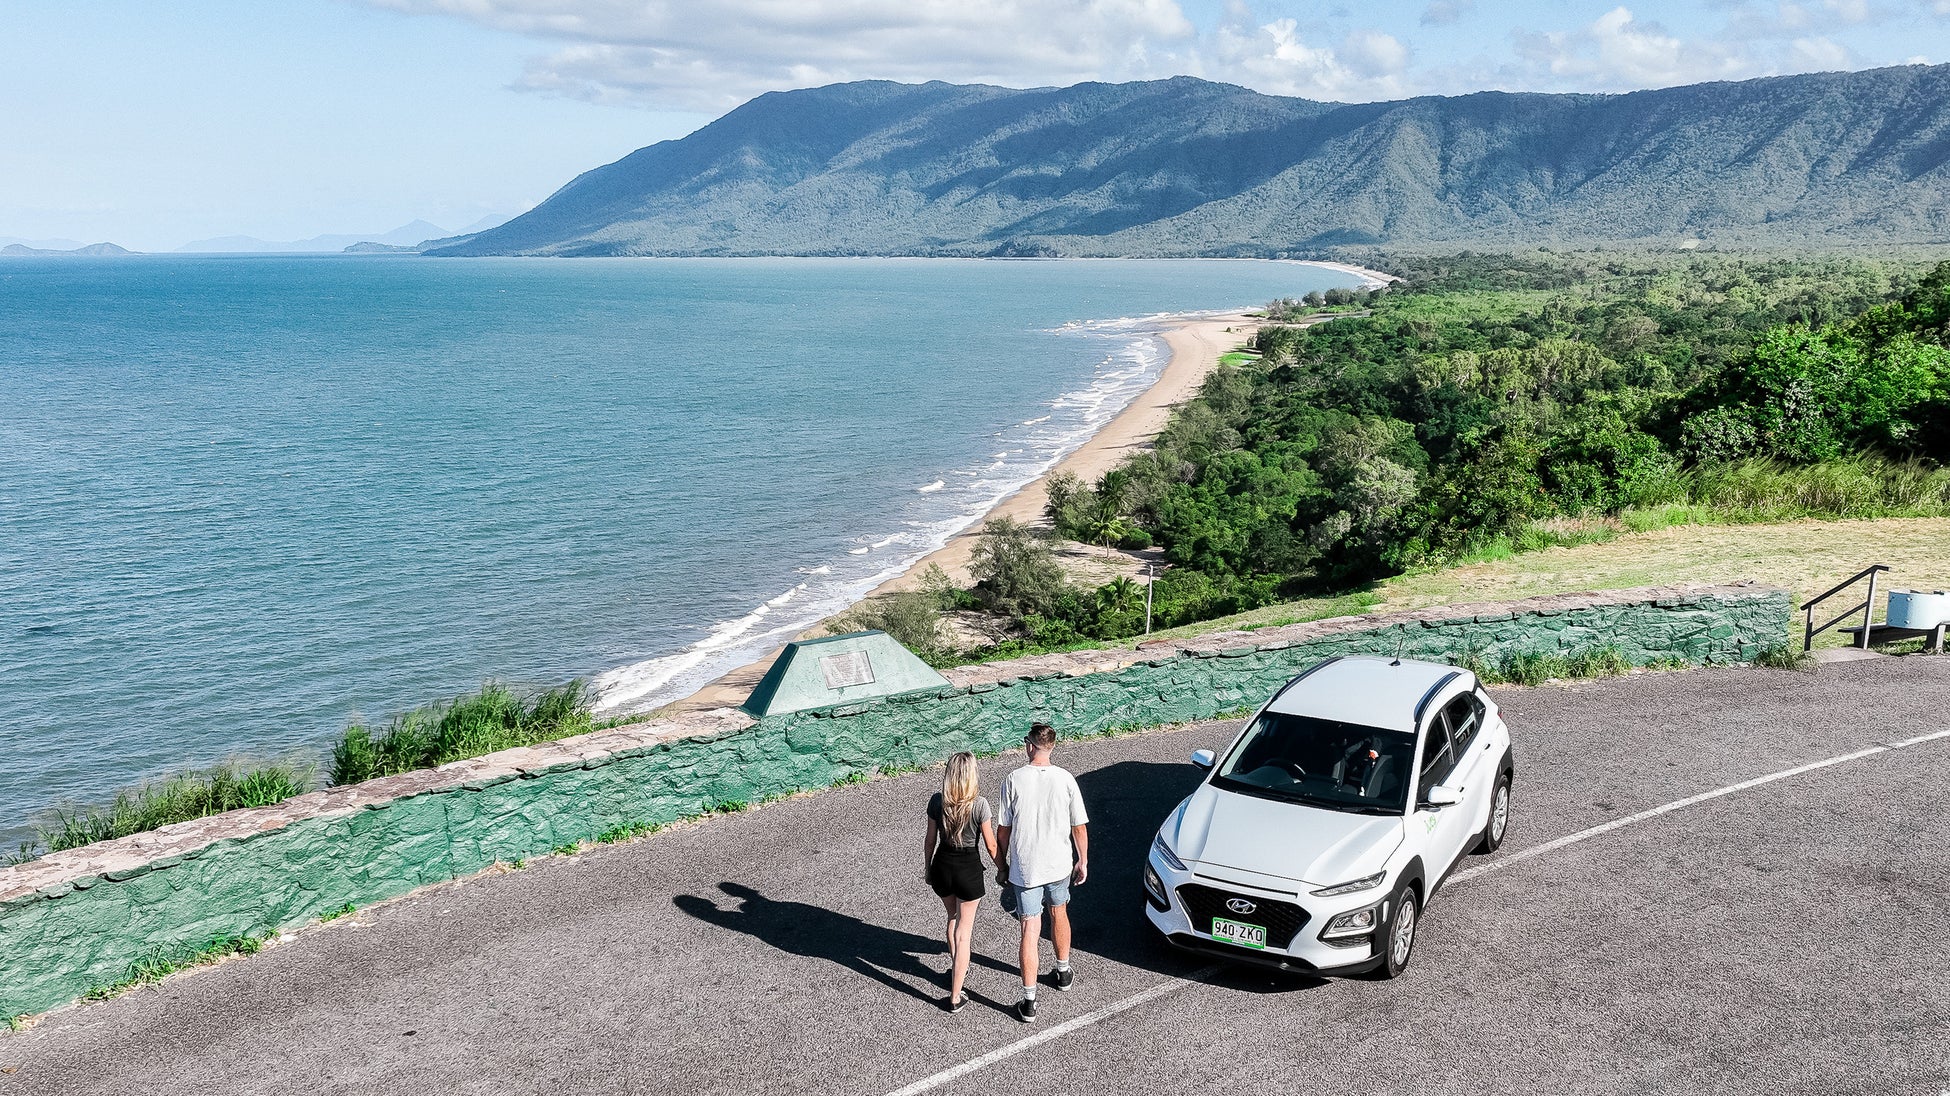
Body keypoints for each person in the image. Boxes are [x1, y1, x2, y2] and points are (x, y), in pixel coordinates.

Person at [994, 721, 1089, 1023]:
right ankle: (1062, 971)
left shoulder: (1013, 779)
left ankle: (1029, 1000)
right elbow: (1079, 826)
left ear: (1030, 745)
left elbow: (1004, 830)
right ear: (1051, 747)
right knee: (1059, 913)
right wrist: (1082, 860)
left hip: (1026, 869)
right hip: (1059, 863)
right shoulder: (1065, 779)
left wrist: (1002, 865)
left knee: (1029, 929)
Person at [924, 751, 998, 1013]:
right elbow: (990, 845)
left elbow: (930, 840)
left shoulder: (937, 801)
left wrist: (927, 868)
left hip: (942, 865)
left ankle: (957, 966)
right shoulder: (979, 805)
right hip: (968, 868)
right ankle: (955, 996)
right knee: (964, 932)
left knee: (952, 917)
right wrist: (1003, 868)